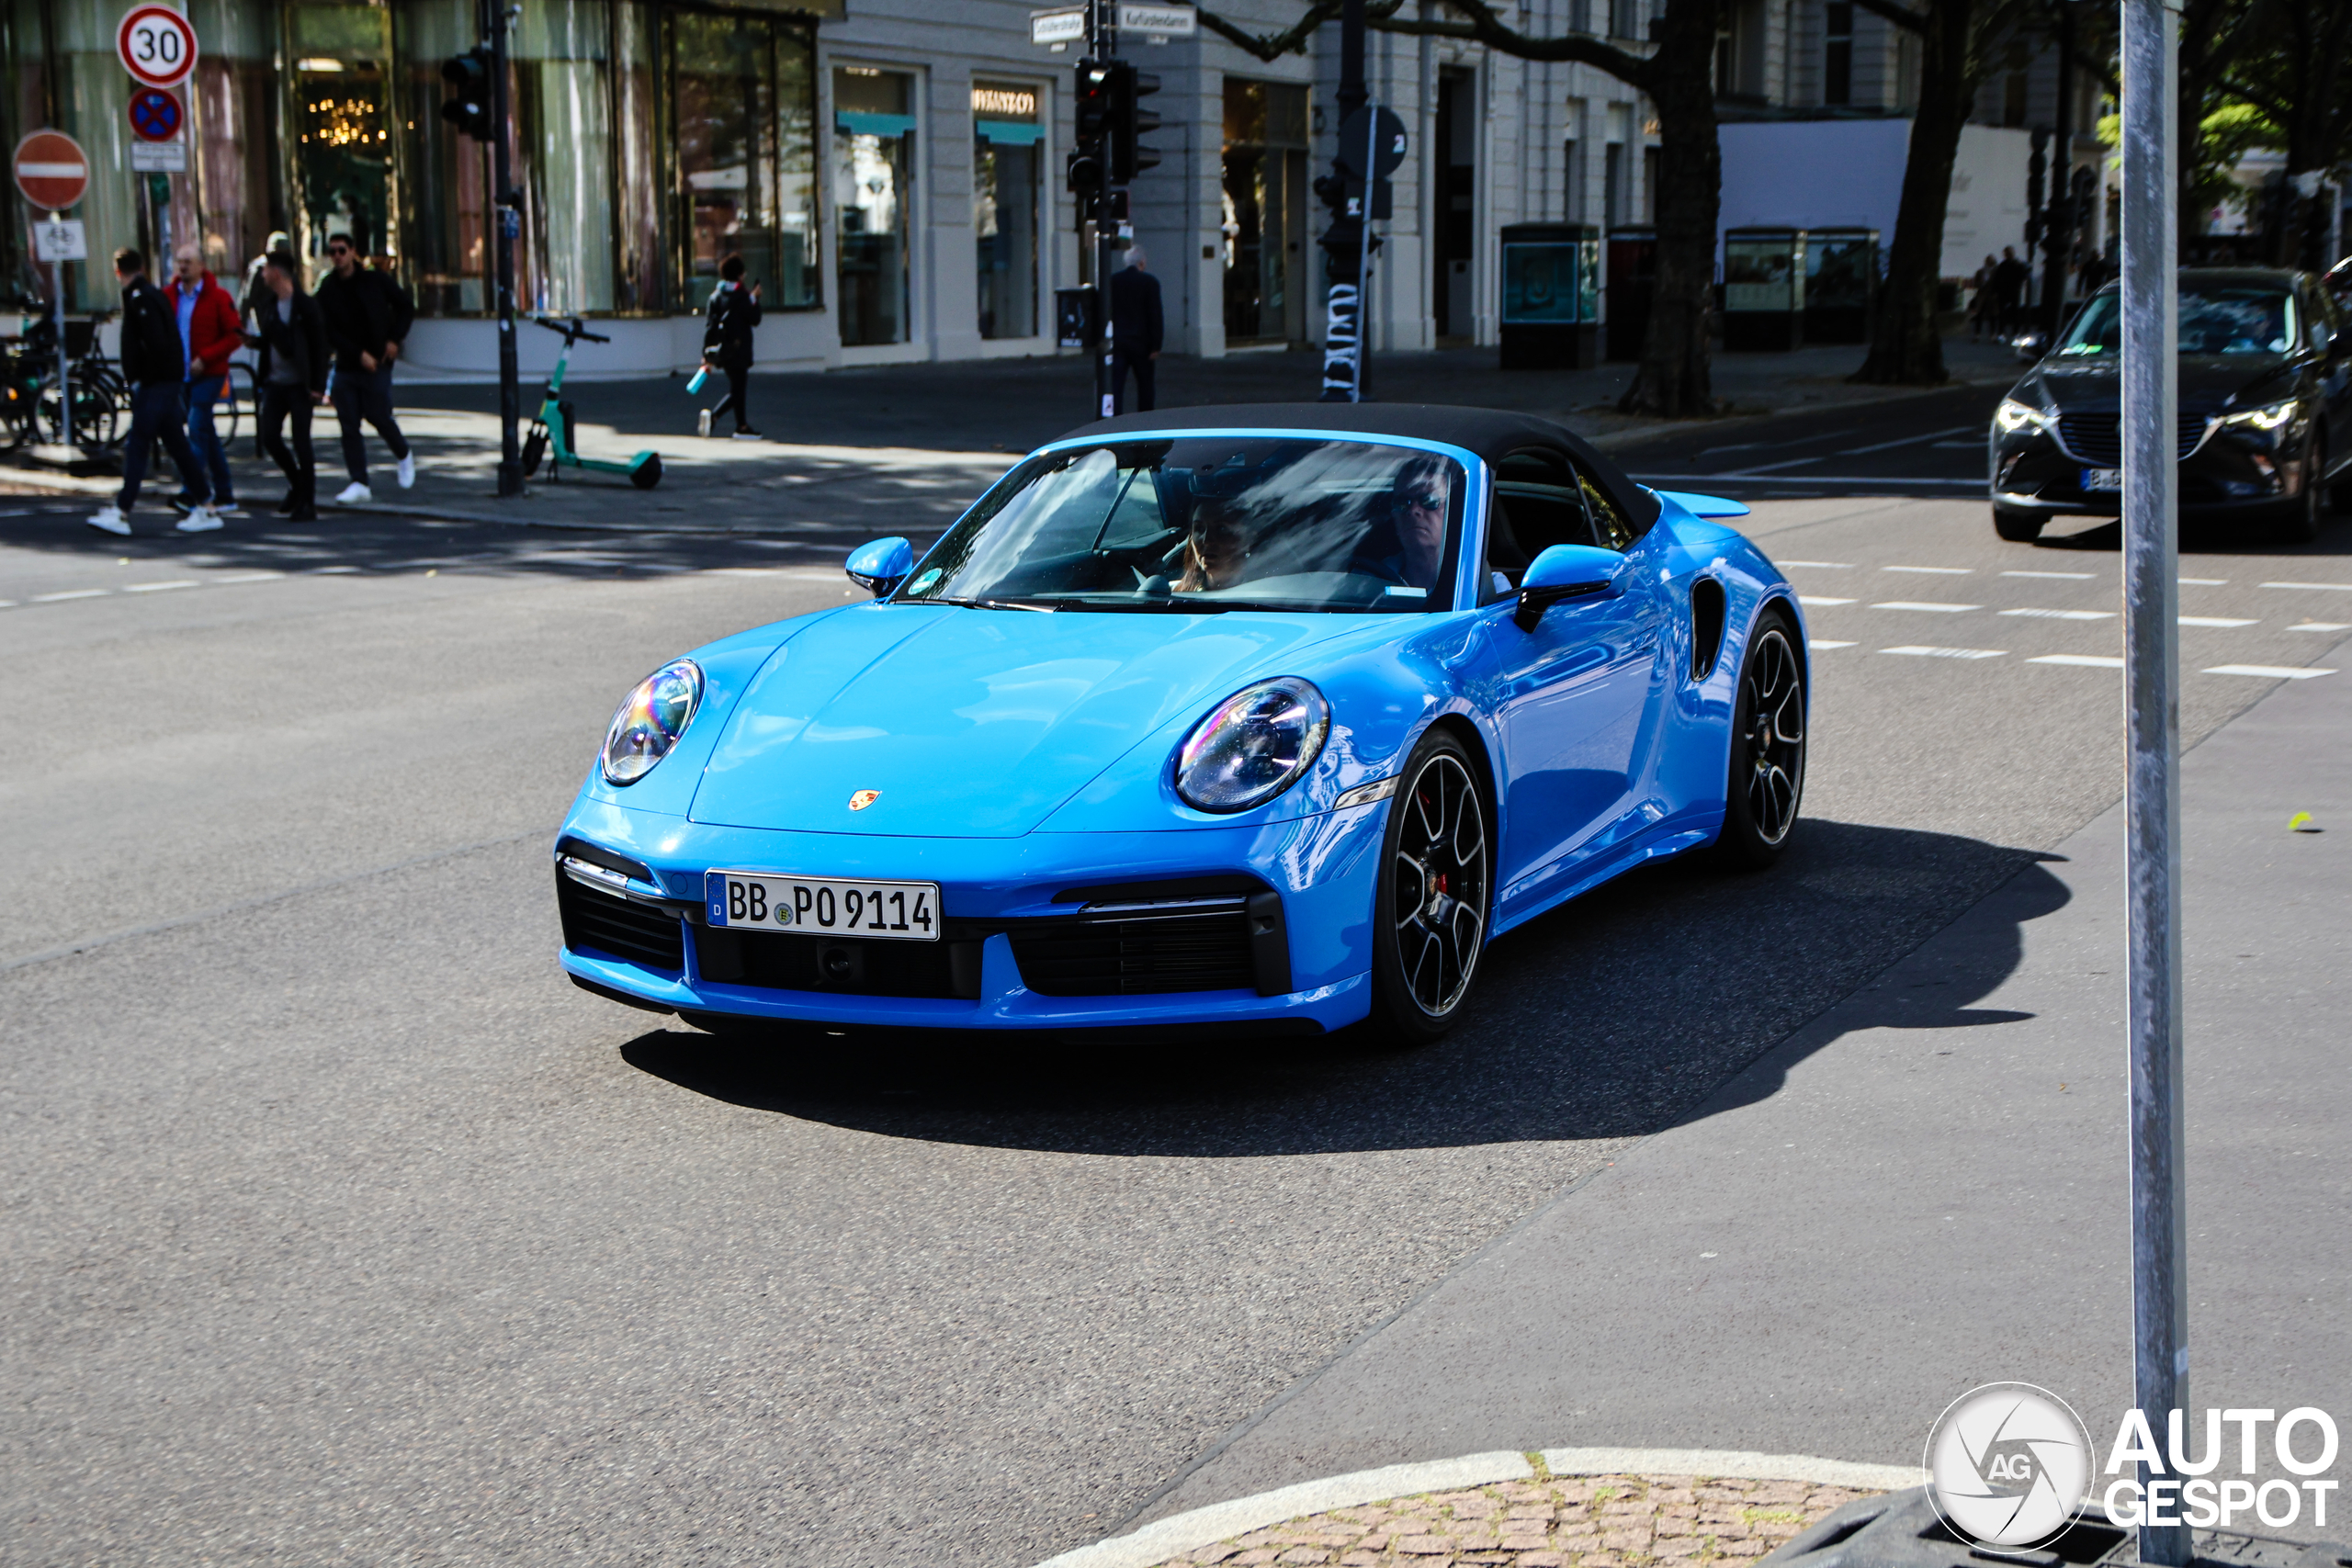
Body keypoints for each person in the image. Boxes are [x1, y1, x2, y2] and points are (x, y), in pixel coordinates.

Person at [87, 248, 219, 536]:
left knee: (138, 442)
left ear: (117, 271)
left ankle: (122, 511)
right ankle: (207, 505)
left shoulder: (140, 298)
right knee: (177, 446)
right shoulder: (150, 294)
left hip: (156, 383)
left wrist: (142, 378)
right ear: (142, 266)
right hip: (164, 381)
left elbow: (155, 343)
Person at [315, 231, 415, 502]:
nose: (337, 256)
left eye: (341, 250)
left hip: (379, 359)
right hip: (348, 363)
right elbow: (328, 330)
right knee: (348, 423)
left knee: (378, 414)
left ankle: (403, 453)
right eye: (332, 252)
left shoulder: (374, 280)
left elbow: (406, 306)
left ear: (352, 252)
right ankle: (359, 481)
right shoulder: (328, 288)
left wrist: (394, 339)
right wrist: (356, 354)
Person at [248, 249, 328, 520]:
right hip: (275, 383)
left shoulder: (305, 305)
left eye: (266, 269)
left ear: (278, 273)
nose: (262, 274)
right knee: (269, 436)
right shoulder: (269, 303)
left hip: (299, 385)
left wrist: (318, 384)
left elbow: (319, 346)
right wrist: (252, 342)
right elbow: (271, 339)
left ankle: (308, 501)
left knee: (301, 441)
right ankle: (297, 484)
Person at [168, 244, 245, 518]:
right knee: (208, 435)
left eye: (188, 261)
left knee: (198, 428)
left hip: (209, 374)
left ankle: (192, 491)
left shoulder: (217, 297)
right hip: (182, 376)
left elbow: (235, 335)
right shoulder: (170, 296)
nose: (183, 267)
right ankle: (224, 493)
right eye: (180, 261)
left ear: (202, 265)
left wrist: (206, 358)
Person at [1353, 456, 1452, 591]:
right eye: (1402, 503)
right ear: (1394, 515)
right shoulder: (1367, 582)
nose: (1413, 511)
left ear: (1450, 511)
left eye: (1428, 500)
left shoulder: (1476, 583)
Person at [699, 254, 763, 439]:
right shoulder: (743, 296)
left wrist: (706, 352)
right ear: (740, 275)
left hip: (722, 350)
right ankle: (713, 416)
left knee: (737, 387)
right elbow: (755, 319)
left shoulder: (715, 297)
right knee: (738, 390)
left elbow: (710, 326)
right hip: (740, 349)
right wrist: (755, 299)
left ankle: (742, 426)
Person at [1108, 244, 1163, 414]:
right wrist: (1156, 344)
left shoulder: (1113, 281)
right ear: (1142, 262)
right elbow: (1155, 314)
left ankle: (1115, 418)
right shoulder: (1150, 282)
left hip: (1118, 340)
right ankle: (1145, 420)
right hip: (1142, 342)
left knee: (1116, 384)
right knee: (1145, 385)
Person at [1173, 497, 1250, 592]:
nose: (1207, 541)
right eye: (1199, 529)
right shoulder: (1176, 595)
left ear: (1248, 538)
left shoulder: (1265, 594)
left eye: (1221, 529)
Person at [1993, 246, 2030, 336]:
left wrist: (1996, 290)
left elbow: (1997, 279)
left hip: (2006, 290)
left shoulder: (2003, 265)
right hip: (2013, 290)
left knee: (2006, 312)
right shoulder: (2018, 264)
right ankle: (2014, 331)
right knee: (2014, 312)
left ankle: (2003, 331)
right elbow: (2023, 276)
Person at [1969, 254, 1998, 341]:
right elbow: (1975, 283)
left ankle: (1992, 334)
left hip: (1992, 296)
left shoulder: (1996, 272)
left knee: (1992, 316)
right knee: (1980, 315)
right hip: (1982, 295)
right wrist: (1980, 284)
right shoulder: (1980, 272)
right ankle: (1977, 333)